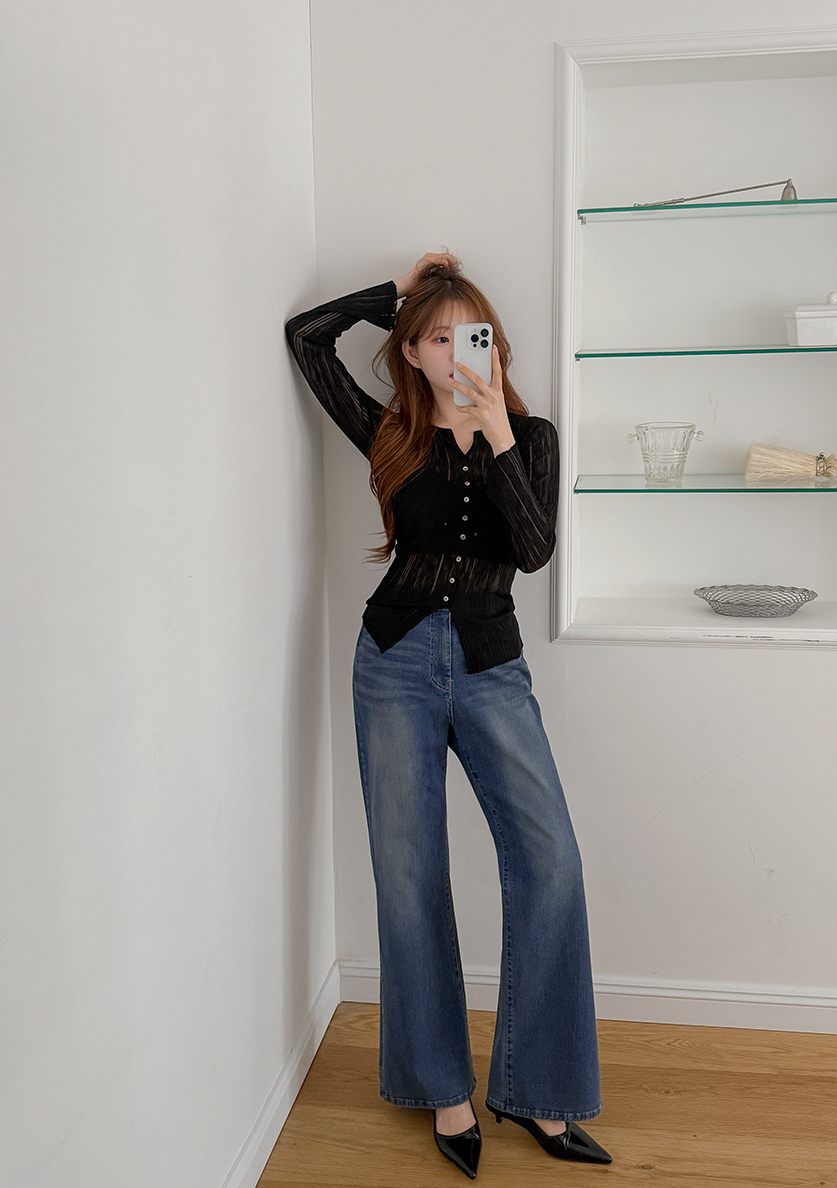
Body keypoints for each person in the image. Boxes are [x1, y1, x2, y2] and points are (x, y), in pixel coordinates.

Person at [285, 253, 611, 1179]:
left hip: (490, 666)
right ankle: (445, 1091)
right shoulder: (391, 432)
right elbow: (306, 339)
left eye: (474, 334)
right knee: (410, 875)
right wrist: (397, 290)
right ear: (412, 353)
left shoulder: (532, 436)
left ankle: (539, 1092)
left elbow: (535, 552)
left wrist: (497, 426)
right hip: (392, 661)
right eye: (437, 336)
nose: (460, 349)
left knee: (550, 863)